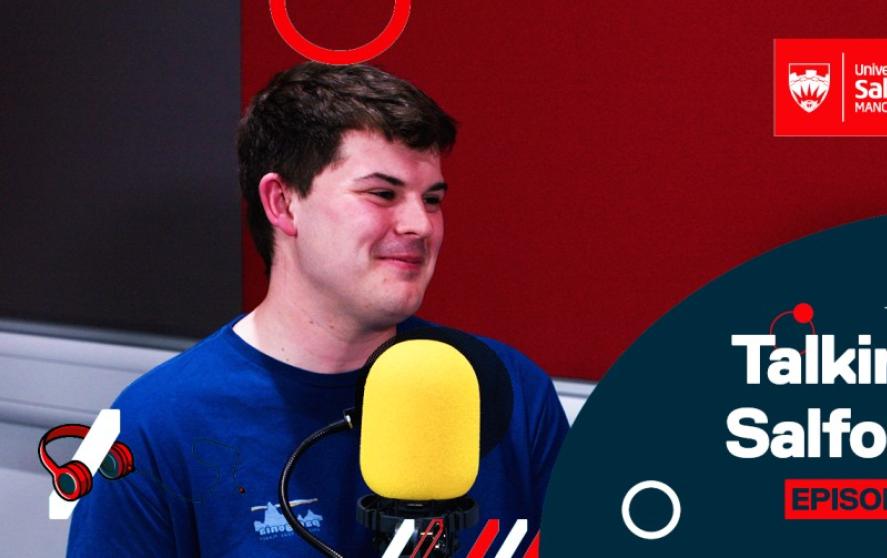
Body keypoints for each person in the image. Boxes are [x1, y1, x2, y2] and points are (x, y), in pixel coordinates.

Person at [66, 62, 569, 557]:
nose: (420, 225)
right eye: (382, 193)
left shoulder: (510, 392)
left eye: (432, 199)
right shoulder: (150, 426)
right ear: (283, 203)